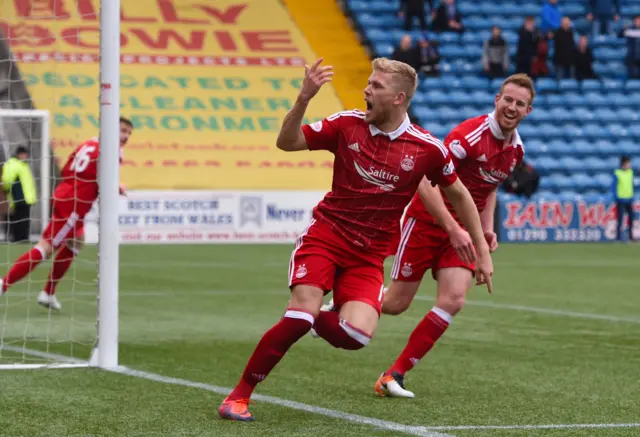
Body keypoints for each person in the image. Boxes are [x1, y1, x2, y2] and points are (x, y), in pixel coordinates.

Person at [218, 57, 494, 422]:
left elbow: (460, 195)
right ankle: (238, 397)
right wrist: (303, 98)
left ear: (398, 98)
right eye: (368, 82)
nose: (366, 90)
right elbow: (287, 143)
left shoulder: (427, 148)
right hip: (326, 237)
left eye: (376, 86)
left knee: (356, 336)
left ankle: (316, 317)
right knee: (299, 315)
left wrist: (480, 252)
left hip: (368, 257)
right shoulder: (346, 124)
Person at [374, 73, 533, 398]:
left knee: (454, 299)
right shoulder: (467, 137)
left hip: (462, 232)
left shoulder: (516, 150)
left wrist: (485, 229)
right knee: (394, 304)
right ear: (497, 100)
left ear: (528, 111)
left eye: (520, 103)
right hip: (427, 222)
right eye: (508, 99)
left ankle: (394, 375)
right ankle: (350, 298)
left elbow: (489, 189)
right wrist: (453, 228)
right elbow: (426, 182)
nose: (512, 107)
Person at [0, 117, 133, 310]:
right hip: (74, 204)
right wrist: (116, 187)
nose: (125, 136)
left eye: (128, 133)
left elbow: (66, 169)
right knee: (46, 247)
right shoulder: (111, 151)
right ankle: (4, 284)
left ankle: (48, 292)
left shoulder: (90, 143)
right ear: (110, 129)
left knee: (78, 240)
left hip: (64, 192)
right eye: (122, 130)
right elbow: (105, 182)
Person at [1, 146, 37, 242]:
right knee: (18, 220)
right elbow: (7, 180)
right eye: (25, 154)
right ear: (19, 154)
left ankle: (23, 238)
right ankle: (17, 239)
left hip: (26, 199)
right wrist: (8, 191)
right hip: (18, 198)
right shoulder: (13, 164)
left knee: (24, 221)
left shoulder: (24, 165)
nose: (26, 156)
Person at [613, 155, 635, 242]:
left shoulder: (631, 172)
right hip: (621, 199)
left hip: (629, 199)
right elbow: (614, 186)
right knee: (620, 219)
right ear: (623, 164)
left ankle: (631, 237)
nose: (629, 165)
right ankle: (618, 238)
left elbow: (632, 185)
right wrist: (616, 197)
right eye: (627, 163)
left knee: (631, 219)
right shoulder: (617, 173)